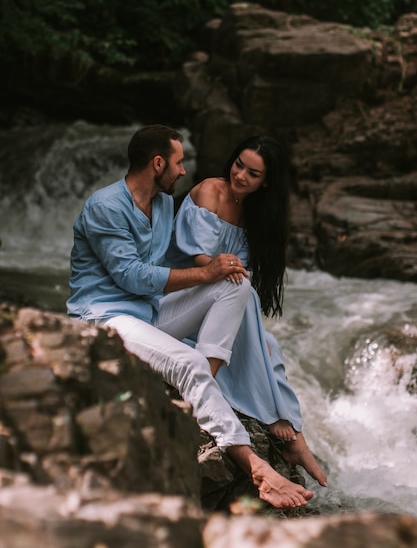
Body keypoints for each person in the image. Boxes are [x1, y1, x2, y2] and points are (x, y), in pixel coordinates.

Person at [66, 124, 314, 510]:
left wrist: (214, 277)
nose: (184, 171)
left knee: (237, 287)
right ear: (159, 163)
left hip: (150, 313)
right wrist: (205, 271)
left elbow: (168, 270)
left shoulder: (164, 205)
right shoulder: (105, 206)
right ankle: (256, 469)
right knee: (188, 362)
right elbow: (131, 276)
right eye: (179, 163)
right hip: (106, 317)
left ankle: (214, 386)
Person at [166, 134, 327, 487]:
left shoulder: (258, 215)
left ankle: (291, 435)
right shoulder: (210, 191)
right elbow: (200, 259)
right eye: (239, 164)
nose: (240, 176)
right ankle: (277, 421)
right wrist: (230, 273)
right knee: (241, 288)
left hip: (214, 308)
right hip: (176, 300)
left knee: (269, 344)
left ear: (266, 181)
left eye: (252, 174)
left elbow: (242, 274)